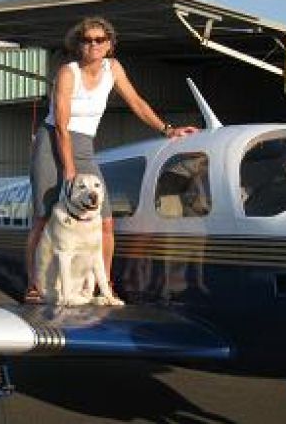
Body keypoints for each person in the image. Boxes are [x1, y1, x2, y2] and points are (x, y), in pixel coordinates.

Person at [24, 16, 198, 303]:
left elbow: (137, 103)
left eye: (99, 40)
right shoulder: (68, 72)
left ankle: (105, 287)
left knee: (105, 220)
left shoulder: (113, 68)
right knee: (44, 217)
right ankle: (34, 284)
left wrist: (167, 129)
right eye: (87, 40)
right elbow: (63, 127)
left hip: (84, 145)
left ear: (109, 44)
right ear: (78, 44)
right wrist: (69, 172)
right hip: (53, 139)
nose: (93, 45)